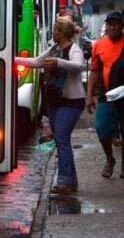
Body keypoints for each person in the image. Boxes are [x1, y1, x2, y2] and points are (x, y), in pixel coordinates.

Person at [15, 17, 85, 194]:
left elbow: (78, 66)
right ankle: (70, 179)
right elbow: (36, 62)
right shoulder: (54, 49)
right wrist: (10, 58)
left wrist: (58, 62)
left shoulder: (73, 49)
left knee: (61, 138)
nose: (52, 32)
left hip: (71, 101)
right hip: (55, 101)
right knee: (61, 140)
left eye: (54, 30)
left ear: (62, 33)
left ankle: (66, 181)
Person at [86, 11, 124, 178]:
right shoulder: (99, 45)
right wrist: (89, 96)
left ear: (121, 26)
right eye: (109, 24)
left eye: (115, 23)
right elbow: (94, 72)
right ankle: (110, 159)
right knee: (102, 129)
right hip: (107, 94)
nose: (112, 26)